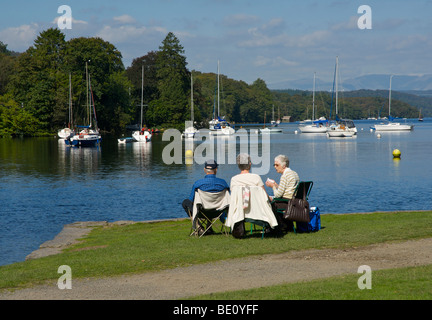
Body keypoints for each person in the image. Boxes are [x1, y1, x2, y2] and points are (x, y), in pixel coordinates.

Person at [225, 153, 278, 237]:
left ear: (239, 165)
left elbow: (235, 197)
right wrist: (270, 198)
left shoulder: (234, 179)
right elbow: (264, 194)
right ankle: (274, 228)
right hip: (257, 210)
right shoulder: (256, 177)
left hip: (241, 211)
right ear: (250, 164)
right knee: (273, 203)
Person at [265, 154, 299, 231]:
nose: (275, 167)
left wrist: (272, 186)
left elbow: (277, 195)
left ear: (284, 166)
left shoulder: (285, 175)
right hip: (293, 201)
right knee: (271, 200)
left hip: (286, 202)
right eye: (274, 165)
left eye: (277, 165)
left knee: (268, 204)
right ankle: (285, 225)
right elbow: (288, 188)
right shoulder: (294, 173)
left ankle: (273, 228)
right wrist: (277, 185)